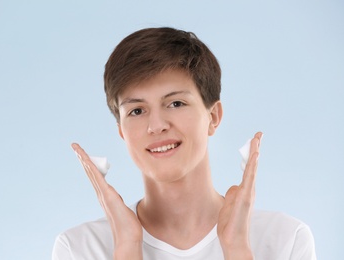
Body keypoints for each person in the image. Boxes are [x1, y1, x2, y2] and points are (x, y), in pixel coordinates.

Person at [52, 27, 316, 259]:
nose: (156, 125)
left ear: (213, 117)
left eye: (176, 103)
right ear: (122, 131)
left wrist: (236, 249)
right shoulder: (80, 249)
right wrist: (128, 249)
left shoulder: (285, 240)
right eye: (136, 111)